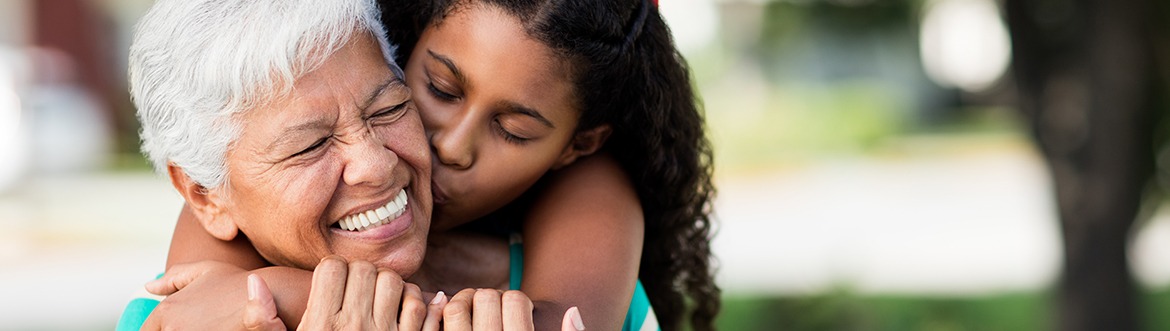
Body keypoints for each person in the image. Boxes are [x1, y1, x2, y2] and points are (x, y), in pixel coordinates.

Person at [147, 0, 720, 329]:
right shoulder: (231, 185)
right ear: (407, 45)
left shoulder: (590, 188)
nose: (452, 146)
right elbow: (187, 310)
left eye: (514, 130)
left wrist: (282, 290)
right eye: (440, 89)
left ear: (576, 146)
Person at [115, 0, 568, 329]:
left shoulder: (578, 299)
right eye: (309, 146)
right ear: (207, 198)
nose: (375, 165)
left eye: (388, 109)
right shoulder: (183, 319)